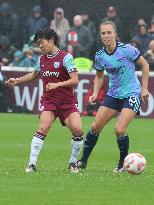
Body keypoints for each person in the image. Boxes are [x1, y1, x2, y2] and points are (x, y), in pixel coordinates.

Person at [6, 28, 83, 173]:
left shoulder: (66, 57)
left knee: (78, 130)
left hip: (67, 101)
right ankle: (32, 164)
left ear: (51, 40)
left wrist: (58, 84)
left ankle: (72, 162)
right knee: (43, 127)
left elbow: (75, 80)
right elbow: (34, 75)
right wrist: (17, 80)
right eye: (38, 44)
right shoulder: (41, 59)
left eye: (41, 43)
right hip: (49, 101)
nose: (39, 46)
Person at [76, 21, 149, 173]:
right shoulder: (100, 56)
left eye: (109, 32)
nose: (106, 36)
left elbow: (145, 65)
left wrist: (144, 89)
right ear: (100, 35)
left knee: (119, 129)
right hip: (113, 95)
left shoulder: (128, 50)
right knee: (95, 127)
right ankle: (83, 161)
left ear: (115, 34)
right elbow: (99, 76)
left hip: (132, 93)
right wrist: (95, 93)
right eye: (103, 33)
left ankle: (122, 163)